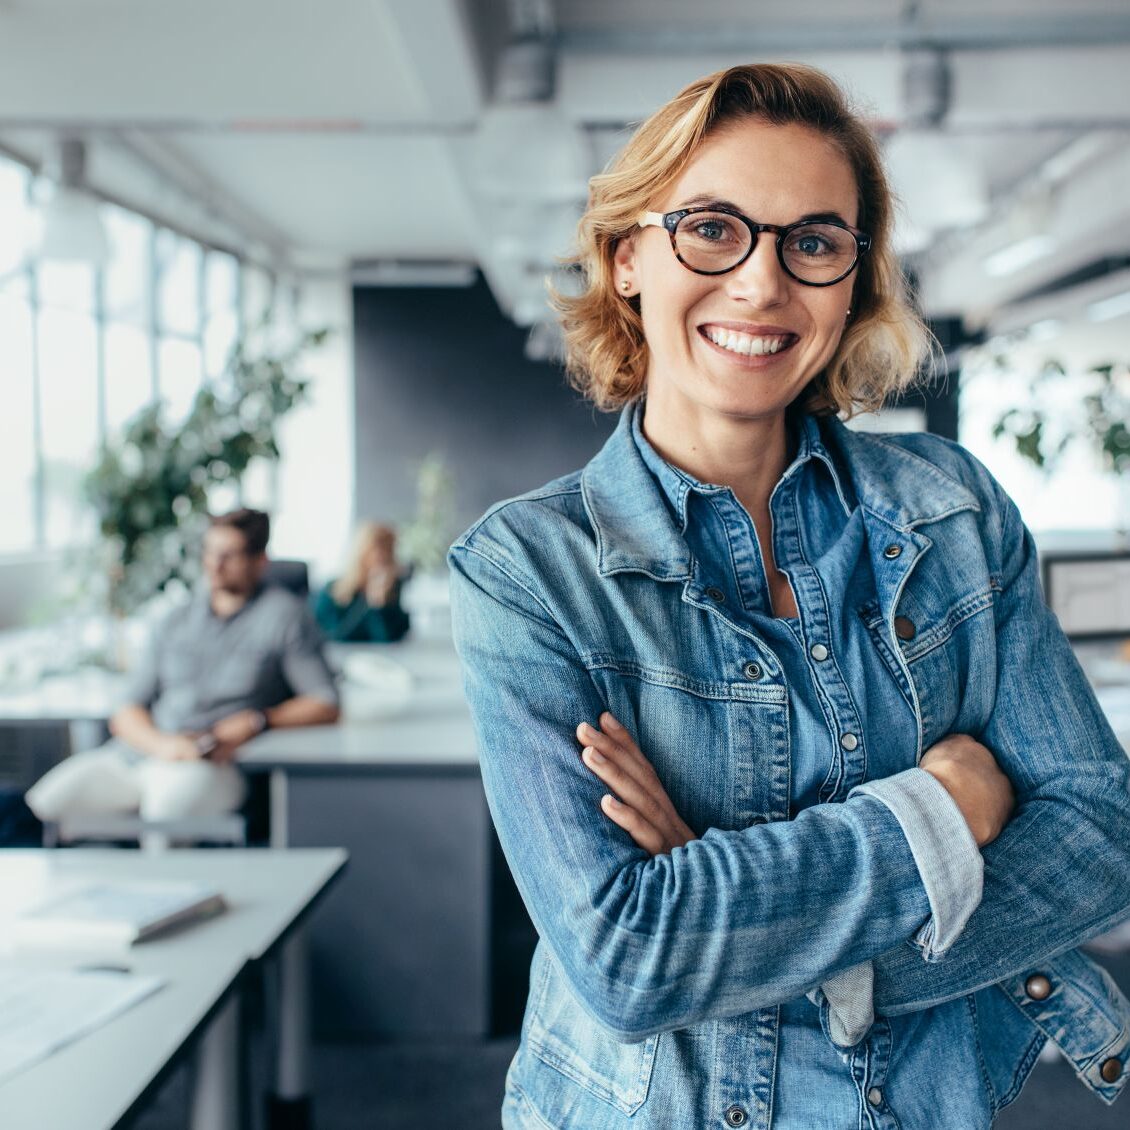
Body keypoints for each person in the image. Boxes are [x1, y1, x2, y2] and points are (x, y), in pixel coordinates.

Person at [448, 63, 1130, 1130]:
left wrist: (764, 931)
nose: (762, 284)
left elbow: (1098, 832)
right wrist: (940, 810)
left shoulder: (951, 512)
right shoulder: (529, 572)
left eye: (811, 242)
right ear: (628, 257)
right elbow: (627, 956)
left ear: (850, 283)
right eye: (711, 229)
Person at [27, 508, 340, 834]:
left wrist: (257, 721)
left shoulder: (285, 617)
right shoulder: (175, 618)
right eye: (210, 552)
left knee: (164, 812)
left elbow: (325, 702)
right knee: (43, 803)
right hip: (144, 753)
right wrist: (164, 746)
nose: (215, 565)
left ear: (259, 561)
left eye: (229, 556)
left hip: (212, 763)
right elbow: (126, 711)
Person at [313, 521, 411, 643]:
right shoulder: (331, 591)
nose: (382, 557)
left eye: (388, 550)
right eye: (377, 550)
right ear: (360, 554)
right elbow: (336, 636)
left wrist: (378, 606)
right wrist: (366, 605)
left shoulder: (391, 593)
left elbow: (386, 638)